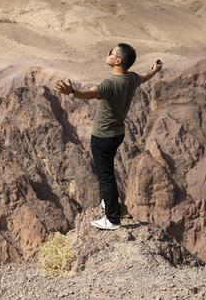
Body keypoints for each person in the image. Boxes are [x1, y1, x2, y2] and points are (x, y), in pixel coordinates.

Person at [53, 43, 162, 230]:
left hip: (102, 137)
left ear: (118, 60)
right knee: (108, 170)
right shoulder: (132, 78)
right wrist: (155, 70)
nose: (108, 53)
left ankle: (112, 218)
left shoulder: (109, 84)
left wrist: (71, 92)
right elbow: (145, 77)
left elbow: (88, 94)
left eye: (111, 52)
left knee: (106, 175)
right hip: (117, 134)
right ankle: (109, 201)